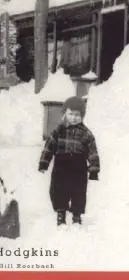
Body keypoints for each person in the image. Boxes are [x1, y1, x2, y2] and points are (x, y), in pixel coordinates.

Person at [38, 96, 100, 226]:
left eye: (77, 115)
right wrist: (44, 163)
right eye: (70, 114)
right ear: (65, 114)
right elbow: (49, 147)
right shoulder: (58, 131)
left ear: (82, 116)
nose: (73, 117)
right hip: (61, 167)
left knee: (78, 192)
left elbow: (92, 152)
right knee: (59, 190)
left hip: (79, 168)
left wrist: (94, 169)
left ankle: (77, 215)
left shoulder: (86, 133)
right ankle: (61, 214)